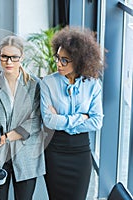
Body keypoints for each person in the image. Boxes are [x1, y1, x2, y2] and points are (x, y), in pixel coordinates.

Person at [40, 26, 105, 200]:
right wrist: (80, 118)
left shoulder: (93, 85)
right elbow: (48, 121)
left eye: (65, 60)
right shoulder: (47, 83)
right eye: (58, 58)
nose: (58, 64)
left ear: (78, 61)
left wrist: (61, 120)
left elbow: (97, 122)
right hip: (54, 151)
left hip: (80, 152)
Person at [0, 35, 45, 200]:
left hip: (27, 155)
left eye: (14, 57)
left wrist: (7, 136)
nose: (8, 62)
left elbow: (35, 121)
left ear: (22, 57)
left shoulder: (35, 85)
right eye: (4, 56)